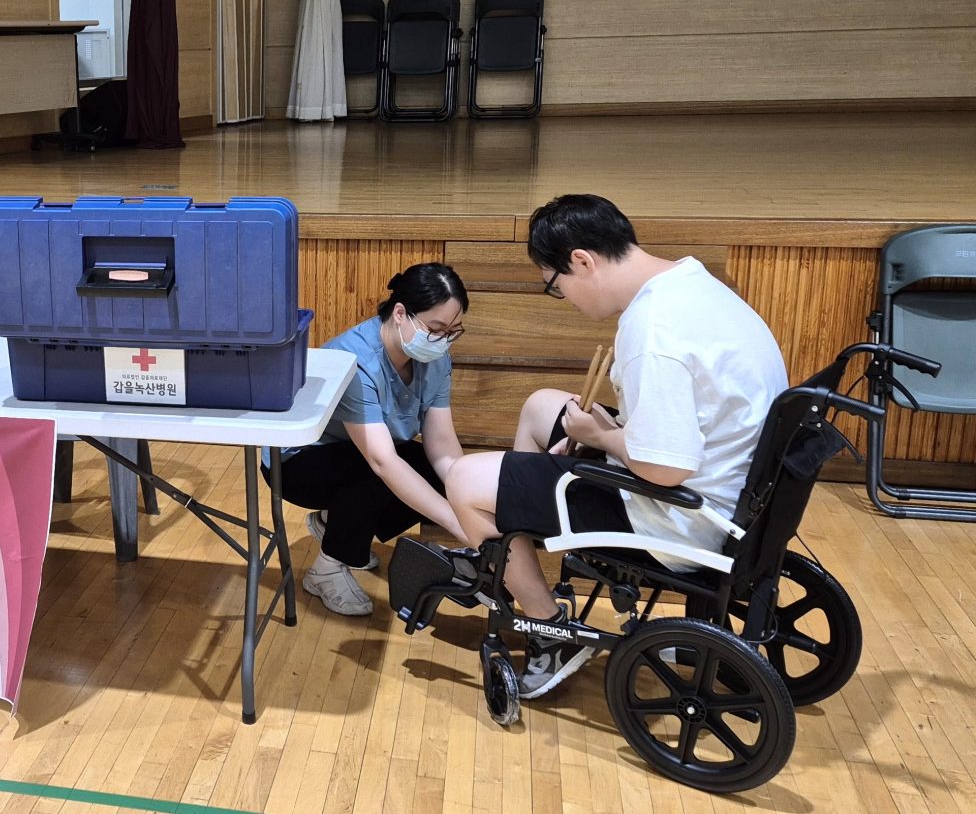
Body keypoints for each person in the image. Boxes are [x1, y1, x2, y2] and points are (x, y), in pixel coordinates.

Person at [445, 194, 788, 698]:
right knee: (542, 407)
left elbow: (665, 469)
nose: (565, 297)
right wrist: (607, 433)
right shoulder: (693, 283)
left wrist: (600, 438)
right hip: (736, 494)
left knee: (463, 480)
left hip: (678, 517)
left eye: (556, 284)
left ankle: (548, 629)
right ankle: (518, 541)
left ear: (582, 260)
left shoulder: (652, 331)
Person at [263, 262, 471, 616]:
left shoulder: (434, 358)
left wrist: (467, 496)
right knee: (378, 473)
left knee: (434, 472)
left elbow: (442, 443)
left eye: (453, 331)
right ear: (400, 314)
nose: (443, 340)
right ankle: (326, 570)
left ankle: (334, 524)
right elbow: (381, 461)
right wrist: (457, 524)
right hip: (296, 462)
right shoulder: (356, 360)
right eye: (436, 329)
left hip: (354, 453)